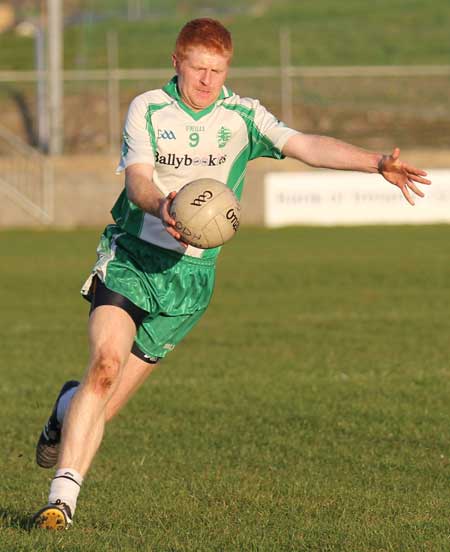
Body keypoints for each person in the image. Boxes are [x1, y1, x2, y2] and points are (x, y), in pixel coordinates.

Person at [32, 17, 431, 530]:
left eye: (216, 71)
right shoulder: (149, 109)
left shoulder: (242, 116)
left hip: (190, 281)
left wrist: (375, 162)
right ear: (176, 62)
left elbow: (306, 144)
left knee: (98, 409)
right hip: (133, 257)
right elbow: (136, 182)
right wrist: (165, 207)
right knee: (105, 366)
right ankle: (61, 502)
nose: (206, 81)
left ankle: (63, 411)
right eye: (197, 68)